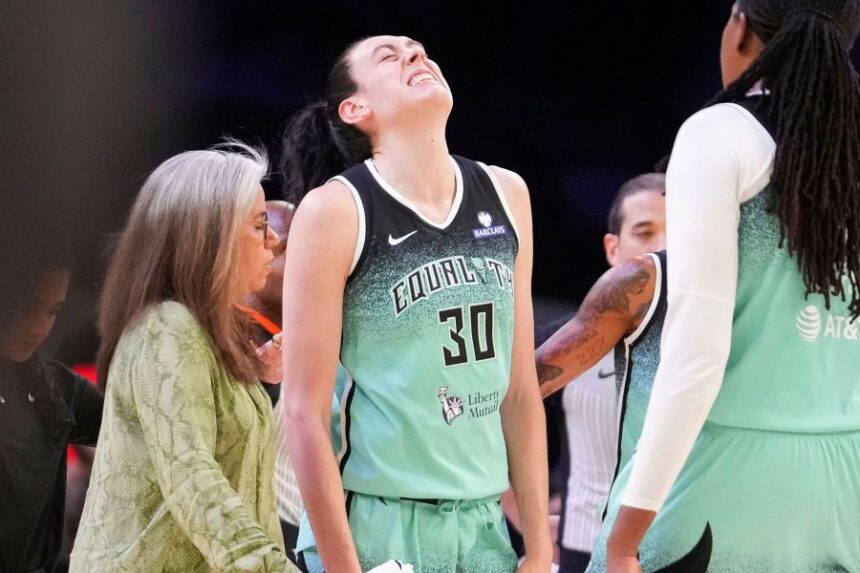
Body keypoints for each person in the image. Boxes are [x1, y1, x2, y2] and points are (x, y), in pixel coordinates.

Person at [590, 2, 860, 571]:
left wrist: (624, 538)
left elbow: (696, 354)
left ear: (740, 27)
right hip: (846, 479)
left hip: (727, 471)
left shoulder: (721, 131)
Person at [280, 35, 552, 573]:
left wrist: (540, 548)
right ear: (355, 109)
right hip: (377, 528)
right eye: (389, 56)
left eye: (419, 50)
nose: (415, 55)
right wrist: (343, 567)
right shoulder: (334, 210)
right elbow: (303, 411)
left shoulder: (507, 193)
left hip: (483, 530)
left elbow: (519, 391)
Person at [69, 144, 299, 572]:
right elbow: (193, 477)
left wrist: (262, 381)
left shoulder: (204, 331)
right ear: (211, 239)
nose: (273, 240)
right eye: (259, 225)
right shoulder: (167, 326)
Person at [536, 175, 665, 573]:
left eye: (679, 233)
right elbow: (494, 412)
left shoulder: (726, 338)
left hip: (687, 543)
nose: (662, 249)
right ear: (613, 247)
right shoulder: (565, 341)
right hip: (584, 550)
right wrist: (531, 518)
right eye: (645, 233)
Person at [0, 254, 103, 573]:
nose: (38, 327)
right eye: (29, 306)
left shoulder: (59, 390)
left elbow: (143, 425)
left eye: (53, 311)